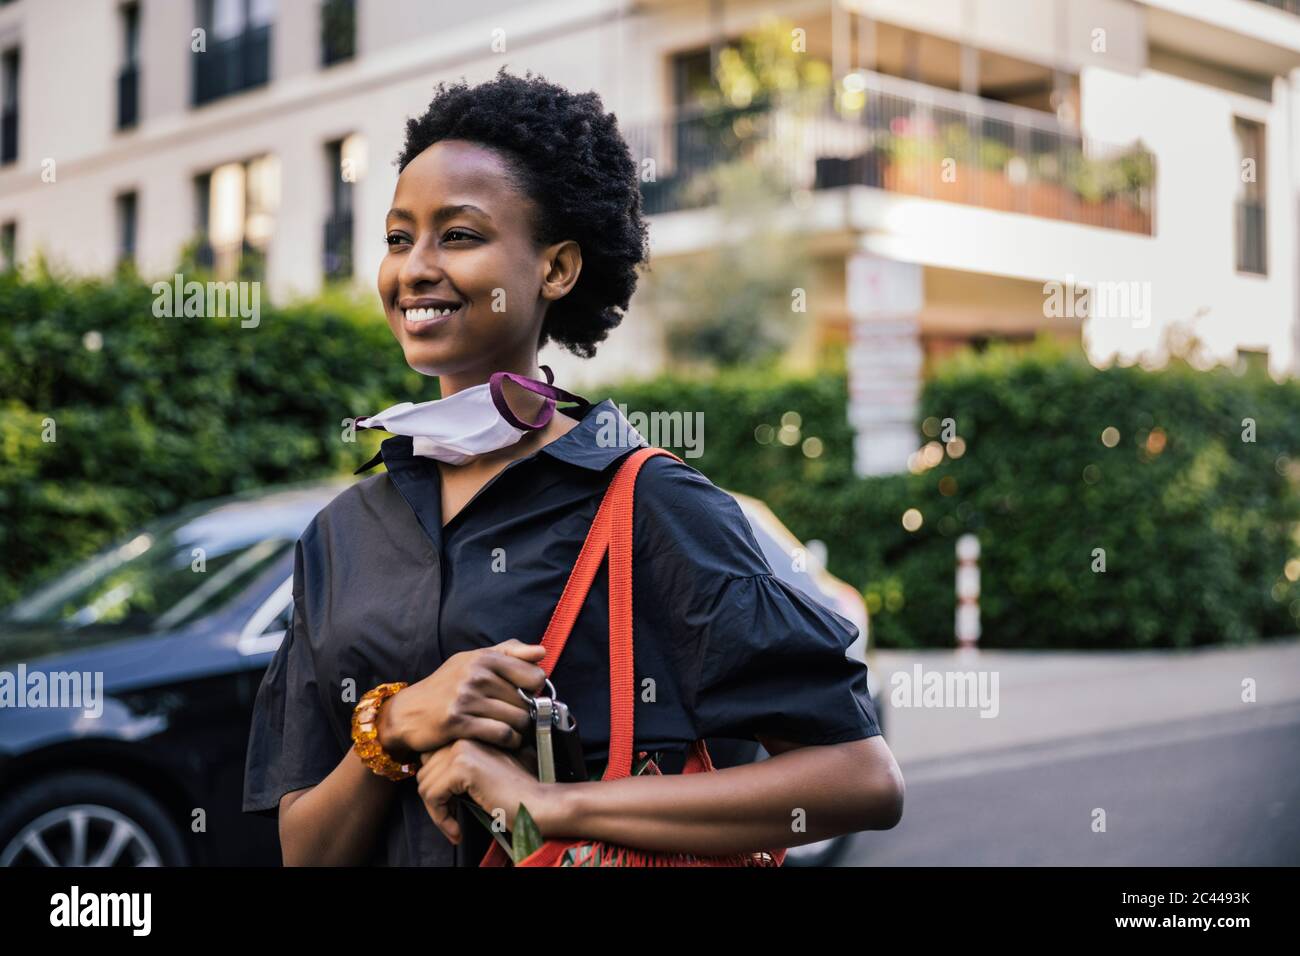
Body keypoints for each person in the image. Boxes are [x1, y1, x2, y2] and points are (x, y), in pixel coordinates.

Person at [241, 67, 904, 866]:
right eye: (397, 237)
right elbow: (304, 852)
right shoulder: (341, 534)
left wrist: (552, 805)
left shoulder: (650, 502)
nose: (414, 267)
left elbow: (861, 779)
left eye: (458, 235)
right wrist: (391, 727)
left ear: (555, 269)